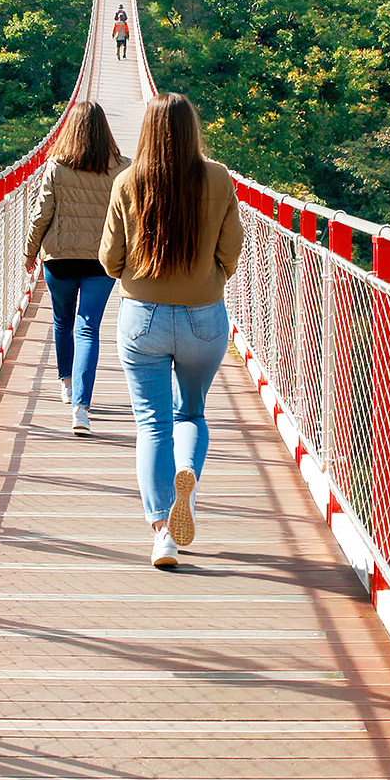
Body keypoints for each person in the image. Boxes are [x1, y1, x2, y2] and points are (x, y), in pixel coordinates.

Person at [100, 93, 244, 568]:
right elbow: (231, 251)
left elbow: (108, 259)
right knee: (192, 413)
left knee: (151, 424)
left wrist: (135, 274)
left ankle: (163, 531)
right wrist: (210, 278)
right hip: (204, 317)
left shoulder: (127, 181)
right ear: (191, 130)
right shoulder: (220, 178)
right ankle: (187, 475)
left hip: (143, 318)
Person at [23, 102, 127, 435]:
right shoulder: (123, 168)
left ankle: (66, 384)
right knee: (88, 327)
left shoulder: (56, 166)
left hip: (60, 256)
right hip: (101, 259)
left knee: (62, 321)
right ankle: (82, 408)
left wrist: (30, 251)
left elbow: (42, 214)